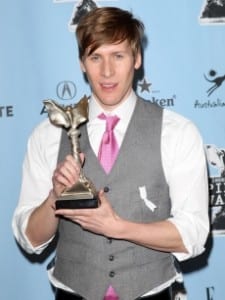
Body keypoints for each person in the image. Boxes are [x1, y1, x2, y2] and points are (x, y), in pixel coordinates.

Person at [12, 6, 209, 300]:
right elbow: (29, 238)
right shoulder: (48, 135)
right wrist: (54, 198)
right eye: (95, 57)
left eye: (118, 55)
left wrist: (119, 227)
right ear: (82, 63)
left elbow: (193, 234)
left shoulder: (178, 132)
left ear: (137, 58)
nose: (106, 72)